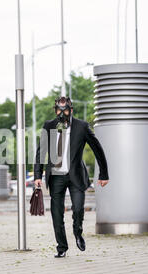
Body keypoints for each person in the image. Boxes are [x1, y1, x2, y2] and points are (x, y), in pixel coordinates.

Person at [34, 96, 109, 258]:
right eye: (59, 110)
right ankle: (61, 247)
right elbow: (41, 152)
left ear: (71, 110)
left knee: (78, 208)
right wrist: (38, 175)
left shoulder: (81, 127)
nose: (62, 113)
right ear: (55, 110)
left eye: (65, 110)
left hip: (75, 175)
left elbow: (98, 149)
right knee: (56, 213)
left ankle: (78, 232)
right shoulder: (49, 126)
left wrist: (104, 174)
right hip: (56, 177)